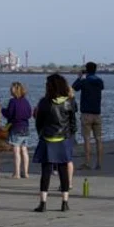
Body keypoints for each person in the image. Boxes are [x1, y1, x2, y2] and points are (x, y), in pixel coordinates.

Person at [33, 73, 77, 212]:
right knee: (63, 171)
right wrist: (68, 136)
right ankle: (65, 202)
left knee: (46, 172)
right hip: (62, 139)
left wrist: (41, 134)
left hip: (47, 139)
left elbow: (38, 122)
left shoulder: (44, 102)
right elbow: (73, 123)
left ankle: (43, 202)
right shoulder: (68, 102)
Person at [73, 61, 104, 170]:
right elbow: (101, 87)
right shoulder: (99, 81)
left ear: (86, 69)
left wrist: (80, 77)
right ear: (95, 69)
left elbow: (74, 88)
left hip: (86, 113)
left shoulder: (85, 81)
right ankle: (99, 163)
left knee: (87, 139)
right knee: (98, 139)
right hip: (97, 113)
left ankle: (87, 162)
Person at [1, 82, 32, 179]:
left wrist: (2, 110)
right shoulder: (26, 101)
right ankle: (26, 172)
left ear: (13, 91)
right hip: (25, 127)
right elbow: (29, 114)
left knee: (16, 151)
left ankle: (17, 173)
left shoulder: (13, 102)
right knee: (24, 150)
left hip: (16, 128)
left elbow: (9, 114)